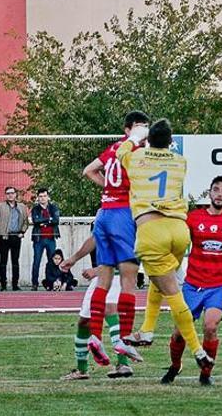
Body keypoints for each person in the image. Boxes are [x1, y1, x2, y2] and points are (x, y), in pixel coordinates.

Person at [115, 118, 213, 370]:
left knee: (172, 292)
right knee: (160, 280)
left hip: (152, 230)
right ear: (170, 142)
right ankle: (147, 329)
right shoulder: (180, 162)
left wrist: (136, 137)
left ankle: (197, 349)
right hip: (180, 229)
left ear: (148, 140)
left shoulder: (136, 158)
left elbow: (121, 152)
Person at [161, 176, 222, 386]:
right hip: (192, 285)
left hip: (219, 287)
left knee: (210, 326)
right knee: (179, 333)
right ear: (209, 192)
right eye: (216, 190)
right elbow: (177, 242)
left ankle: (205, 372)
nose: (219, 194)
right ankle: (175, 366)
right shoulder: (193, 218)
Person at [81, 111, 150, 366]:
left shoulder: (113, 148)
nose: (144, 131)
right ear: (128, 129)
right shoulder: (137, 151)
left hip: (104, 213)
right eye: (140, 127)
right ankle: (123, 339)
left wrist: (109, 189)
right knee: (130, 278)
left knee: (106, 277)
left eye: (146, 127)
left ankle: (96, 337)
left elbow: (89, 170)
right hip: (122, 214)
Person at [61, 234, 132, 379]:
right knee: (84, 322)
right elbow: (95, 238)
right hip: (102, 275)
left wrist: (96, 270)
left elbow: (126, 251)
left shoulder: (124, 215)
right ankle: (82, 370)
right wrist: (73, 259)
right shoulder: (104, 214)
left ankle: (123, 363)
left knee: (110, 309)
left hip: (117, 274)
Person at [0, 186, 29, 291]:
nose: (10, 195)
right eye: (8, 193)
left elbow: (26, 222)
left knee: (15, 261)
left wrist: (22, 232)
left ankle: (15, 284)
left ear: (16, 194)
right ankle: (3, 285)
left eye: (12, 193)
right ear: (5, 195)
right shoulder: (0, 206)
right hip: (4, 237)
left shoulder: (22, 207)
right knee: (3, 261)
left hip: (16, 236)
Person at [30, 187, 60, 291]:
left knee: (52, 262)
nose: (42, 198)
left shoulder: (53, 207)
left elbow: (56, 220)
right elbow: (35, 221)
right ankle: (34, 284)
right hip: (39, 239)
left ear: (48, 197)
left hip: (51, 238)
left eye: (44, 196)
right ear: (38, 198)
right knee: (36, 261)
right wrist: (49, 220)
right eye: (40, 196)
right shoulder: (35, 209)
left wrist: (44, 222)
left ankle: (51, 283)